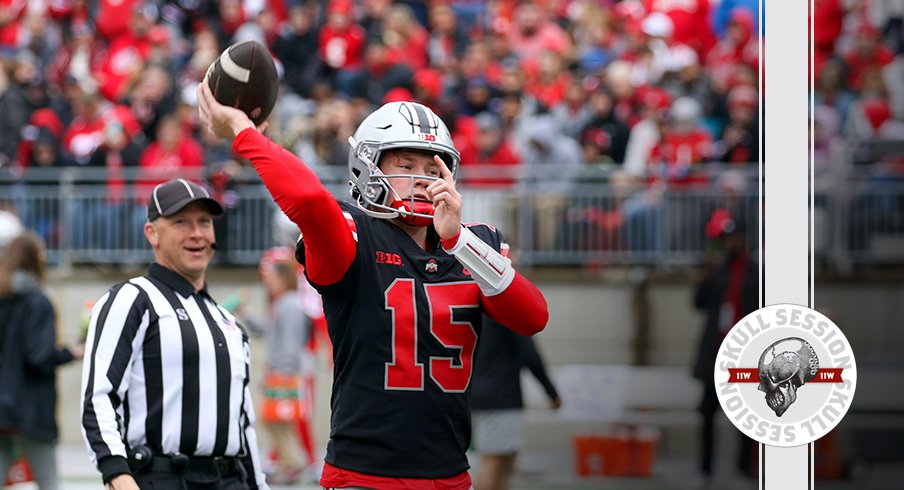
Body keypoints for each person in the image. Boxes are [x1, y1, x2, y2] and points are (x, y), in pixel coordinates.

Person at [198, 88, 549, 489]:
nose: (422, 180)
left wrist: (458, 243)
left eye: (433, 171)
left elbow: (532, 317)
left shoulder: (474, 244)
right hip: (364, 475)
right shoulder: (355, 235)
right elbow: (310, 200)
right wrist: (245, 132)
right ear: (368, 166)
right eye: (406, 165)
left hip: (450, 475)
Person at [79, 178, 270, 489]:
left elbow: (243, 421)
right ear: (151, 233)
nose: (196, 233)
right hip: (163, 476)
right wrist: (117, 474)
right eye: (181, 222)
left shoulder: (227, 321)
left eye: (204, 222)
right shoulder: (132, 299)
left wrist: (259, 485)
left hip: (230, 477)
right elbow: (99, 396)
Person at [0, 231, 84, 490]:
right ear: (35, 257)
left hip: (2, 409)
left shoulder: (3, 298)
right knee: (49, 483)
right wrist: (72, 352)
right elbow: (39, 356)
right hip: (30, 409)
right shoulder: (38, 302)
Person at [692, 215, 757, 483]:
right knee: (707, 412)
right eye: (727, 239)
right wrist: (704, 277)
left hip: (745, 354)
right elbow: (698, 303)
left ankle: (743, 468)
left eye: (735, 238)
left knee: (746, 417)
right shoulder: (717, 271)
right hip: (716, 354)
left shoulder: (756, 272)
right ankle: (706, 470)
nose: (731, 244)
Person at [471, 317, 560, 490]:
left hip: (476, 394)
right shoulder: (508, 316)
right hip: (502, 398)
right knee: (494, 461)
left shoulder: (478, 313)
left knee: (505, 460)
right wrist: (551, 392)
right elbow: (531, 355)